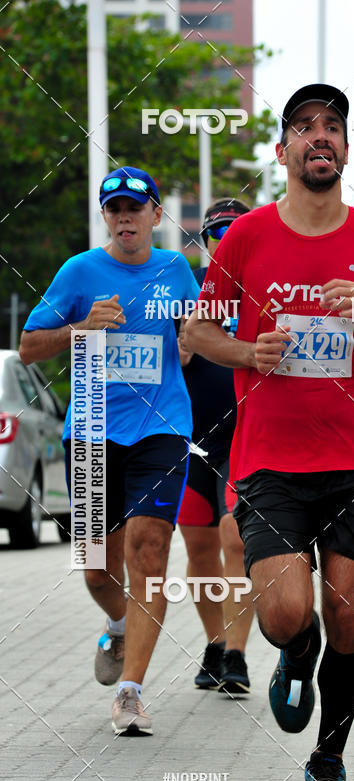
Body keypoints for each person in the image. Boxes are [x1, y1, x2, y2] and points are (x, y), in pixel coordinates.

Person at [185, 83, 354, 781]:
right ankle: (297, 647)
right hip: (268, 461)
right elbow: (197, 335)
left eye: (333, 127)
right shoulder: (248, 237)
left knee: (351, 612)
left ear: (346, 149)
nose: (320, 137)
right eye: (305, 127)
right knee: (286, 613)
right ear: (283, 149)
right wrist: (249, 351)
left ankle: (328, 758)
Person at [19, 167, 199, 736]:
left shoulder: (176, 270)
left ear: (154, 216)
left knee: (149, 551)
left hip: (162, 427)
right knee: (97, 567)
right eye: (115, 208)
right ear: (106, 217)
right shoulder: (79, 271)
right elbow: (27, 347)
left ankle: (130, 692)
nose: (126, 217)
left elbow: (193, 343)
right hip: (93, 428)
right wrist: (80, 329)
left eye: (136, 207)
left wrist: (192, 339)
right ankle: (119, 622)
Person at [177, 198, 253, 695]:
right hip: (190, 440)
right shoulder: (187, 293)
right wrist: (178, 352)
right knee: (200, 546)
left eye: (233, 232)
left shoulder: (265, 290)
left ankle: (238, 656)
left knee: (235, 538)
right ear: (203, 242)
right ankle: (214, 642)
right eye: (214, 234)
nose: (222, 242)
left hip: (245, 436)